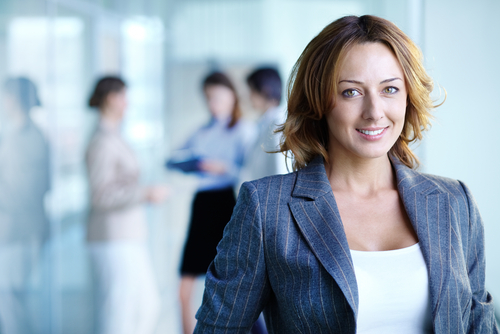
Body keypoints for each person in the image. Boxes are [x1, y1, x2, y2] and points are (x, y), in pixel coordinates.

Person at [194, 15, 499, 333]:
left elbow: (478, 323)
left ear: (408, 97)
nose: (374, 112)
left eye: (390, 89)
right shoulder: (267, 208)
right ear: (319, 101)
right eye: (351, 92)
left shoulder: (453, 201)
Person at [167, 71, 252, 334]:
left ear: (232, 96)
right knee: (186, 283)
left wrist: (222, 168)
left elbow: (251, 173)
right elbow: (173, 159)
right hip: (203, 203)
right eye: (207, 98)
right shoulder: (202, 132)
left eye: (216, 97)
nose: (211, 103)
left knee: (232, 282)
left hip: (230, 203)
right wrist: (194, 165)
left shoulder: (244, 130)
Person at [86, 76, 168, 334]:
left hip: (129, 236)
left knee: (147, 306)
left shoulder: (114, 136)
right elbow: (100, 196)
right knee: (120, 311)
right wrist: (144, 193)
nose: (127, 103)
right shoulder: (102, 141)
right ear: (110, 99)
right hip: (113, 238)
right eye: (123, 96)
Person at [0, 77, 50, 334]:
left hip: (22, 231)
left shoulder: (30, 138)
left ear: (14, 99)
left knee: (11, 296)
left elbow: (25, 192)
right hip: (14, 231)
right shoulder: (15, 134)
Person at [241, 67, 286, 182]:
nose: (249, 97)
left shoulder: (278, 124)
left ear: (265, 90)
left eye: (251, 91)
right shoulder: (264, 124)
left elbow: (279, 170)